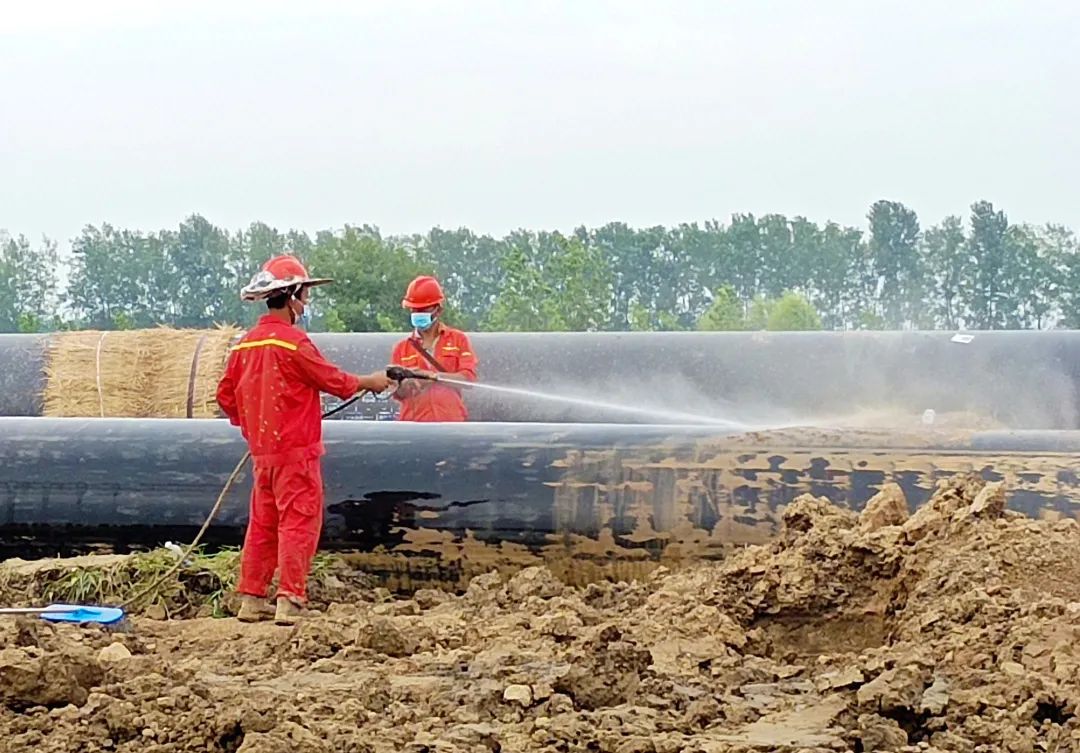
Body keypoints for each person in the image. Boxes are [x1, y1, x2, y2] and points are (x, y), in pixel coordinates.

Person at [216, 255, 392, 625]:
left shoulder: (244, 346)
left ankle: (252, 598)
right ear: (292, 295)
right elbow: (335, 381)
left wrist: (252, 427)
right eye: (305, 295)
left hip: (263, 455)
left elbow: (225, 398)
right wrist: (371, 381)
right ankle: (290, 599)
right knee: (298, 522)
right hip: (296, 454)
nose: (306, 303)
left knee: (263, 524)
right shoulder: (294, 343)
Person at [389, 275, 478, 421]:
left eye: (423, 309)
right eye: (414, 310)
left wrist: (432, 377)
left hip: (451, 425)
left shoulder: (458, 340)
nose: (417, 314)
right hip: (413, 428)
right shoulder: (401, 348)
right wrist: (408, 383)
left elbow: (467, 380)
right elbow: (395, 392)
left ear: (438, 310)